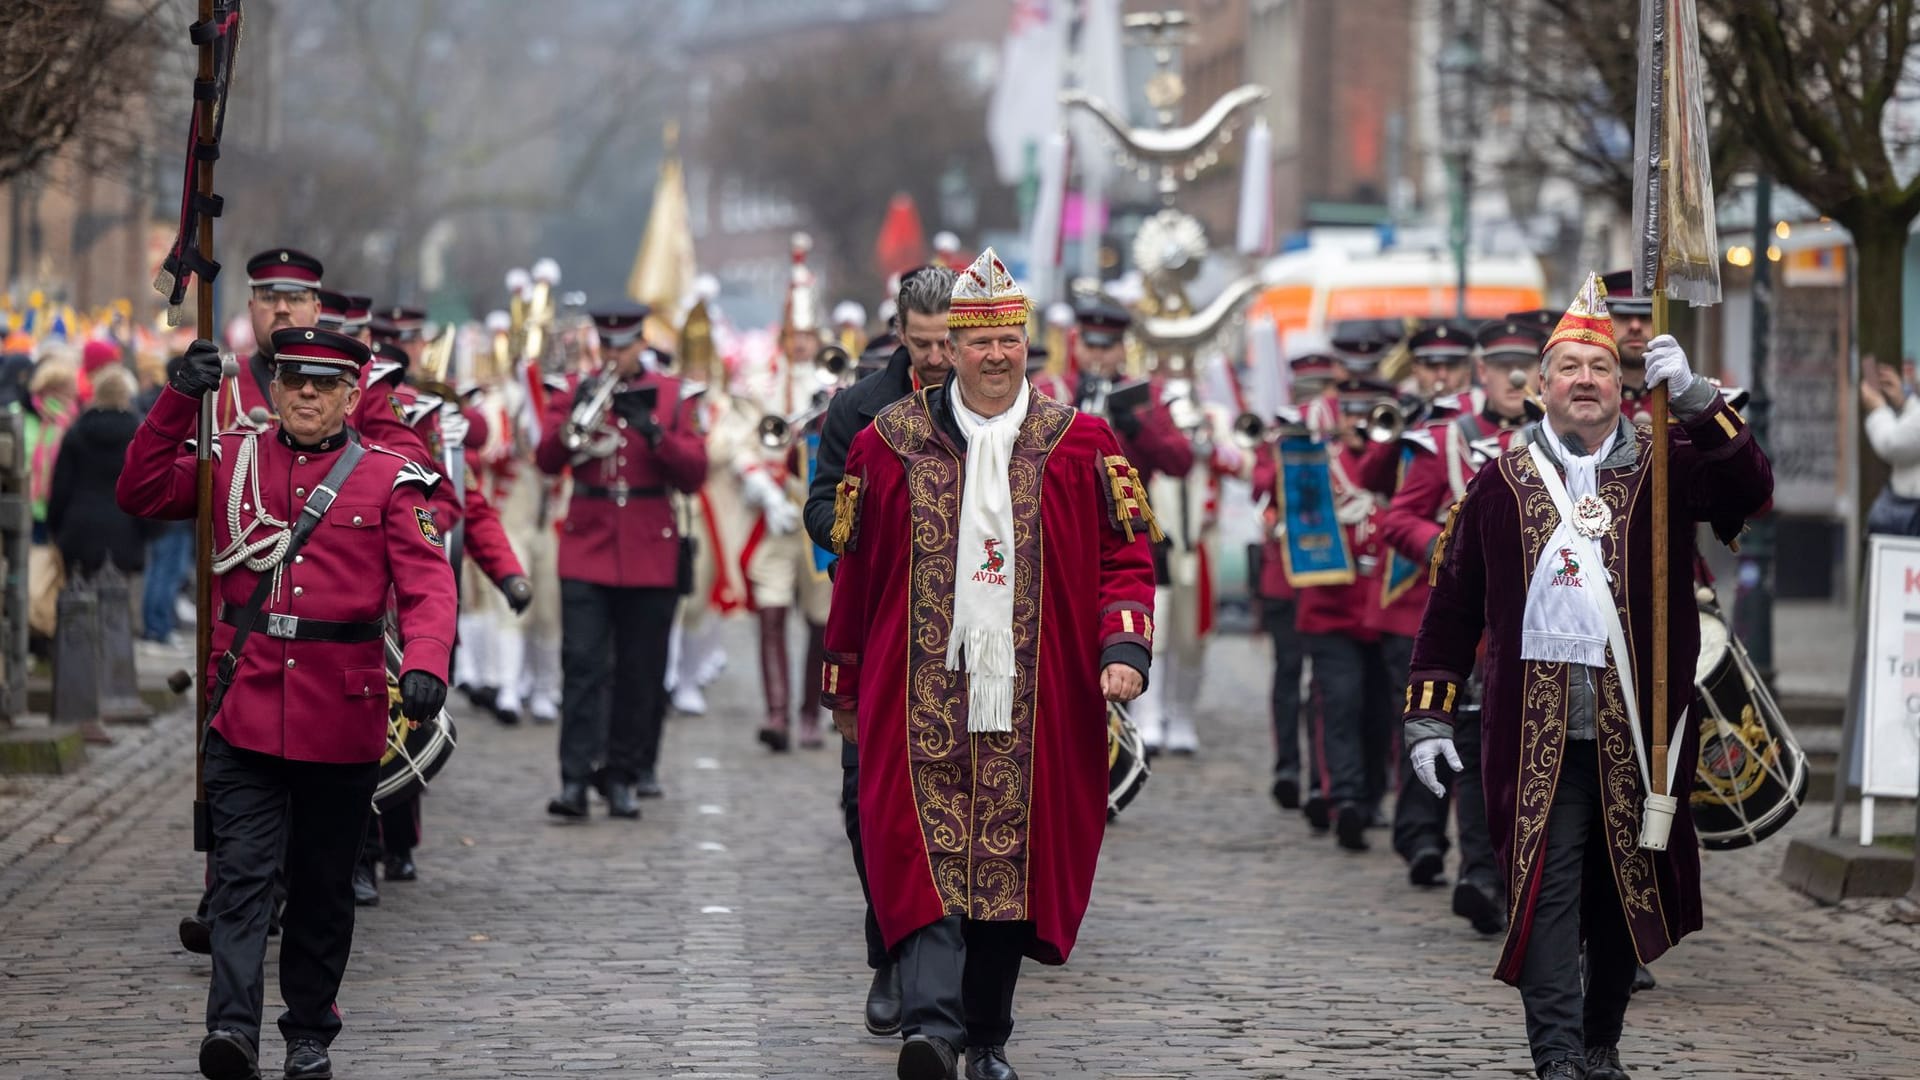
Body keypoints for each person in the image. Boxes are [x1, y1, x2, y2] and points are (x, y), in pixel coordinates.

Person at [1403, 273, 1772, 1080]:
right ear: (1542, 384)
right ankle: (1559, 1057)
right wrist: (1429, 713)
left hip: (1640, 738)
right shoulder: (1497, 484)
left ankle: (1601, 1037)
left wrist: (1701, 401)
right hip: (1533, 737)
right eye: (1568, 367)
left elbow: (1753, 488)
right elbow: (1454, 605)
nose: (1584, 382)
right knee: (1546, 895)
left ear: (1622, 382)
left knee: (1620, 904)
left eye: (1599, 369)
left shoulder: (1667, 467)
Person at [823, 249, 1156, 1080]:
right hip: (915, 692)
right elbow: (856, 574)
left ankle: (987, 1036)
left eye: (1010, 340)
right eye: (980, 343)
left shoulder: (1080, 444)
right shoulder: (887, 444)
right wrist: (843, 678)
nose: (995, 356)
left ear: (1027, 345)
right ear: (949, 350)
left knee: (1010, 862)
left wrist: (1123, 648)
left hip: (1039, 697)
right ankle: (929, 1034)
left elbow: (1127, 555)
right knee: (922, 850)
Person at [117, 328, 455, 1080]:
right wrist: (178, 398)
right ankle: (232, 1031)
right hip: (246, 707)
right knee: (240, 881)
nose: (306, 394)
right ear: (273, 388)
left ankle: (308, 1031)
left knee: (322, 887)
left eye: (324, 384)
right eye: (294, 380)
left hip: (343, 715)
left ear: (350, 395)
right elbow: (137, 490)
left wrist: (427, 663)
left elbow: (430, 585)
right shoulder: (229, 461)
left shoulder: (391, 479)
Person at [802, 262, 957, 1041]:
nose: (937, 358)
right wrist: (861, 529)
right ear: (900, 334)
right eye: (924, 343)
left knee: (953, 797)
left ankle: (942, 959)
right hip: (881, 621)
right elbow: (821, 502)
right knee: (867, 803)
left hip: (964, 631)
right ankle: (891, 950)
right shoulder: (858, 407)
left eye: (946, 342)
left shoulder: (986, 401)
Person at [1376, 318, 1543, 930]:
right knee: (1471, 742)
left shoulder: (1571, 440)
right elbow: (1399, 518)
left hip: (1551, 620)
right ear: (1484, 372)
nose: (1516, 376)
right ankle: (1479, 872)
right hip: (1472, 625)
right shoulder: (1444, 439)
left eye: (1526, 363)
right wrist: (1450, 549)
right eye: (1503, 365)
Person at [535, 304, 707, 819]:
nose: (615, 355)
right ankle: (573, 776)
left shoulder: (673, 396)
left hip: (650, 546)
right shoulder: (573, 390)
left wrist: (655, 431)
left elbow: (695, 473)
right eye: (607, 347)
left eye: (624, 345)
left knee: (639, 669)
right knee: (582, 665)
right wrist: (574, 414)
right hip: (587, 544)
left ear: (641, 343)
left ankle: (623, 775)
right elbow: (546, 459)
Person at [48, 366, 155, 612]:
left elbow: (61, 486)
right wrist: (149, 530)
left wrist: (56, 527)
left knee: (78, 603)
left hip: (79, 528)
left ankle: (79, 650)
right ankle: (115, 649)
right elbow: (146, 486)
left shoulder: (76, 433)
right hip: (125, 529)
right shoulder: (138, 435)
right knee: (117, 608)